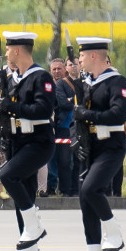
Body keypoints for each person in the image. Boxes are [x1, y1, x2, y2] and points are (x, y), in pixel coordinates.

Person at [0, 32, 56, 251]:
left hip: (38, 141)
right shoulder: (12, 78)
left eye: (9, 49)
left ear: (18, 51)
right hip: (18, 142)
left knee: (7, 175)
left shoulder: (41, 77)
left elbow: (44, 108)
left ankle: (35, 225)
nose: (6, 53)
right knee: (24, 200)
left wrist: (13, 107)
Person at [72, 37, 126, 251]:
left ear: (94, 56)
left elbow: (118, 115)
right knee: (86, 199)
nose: (79, 60)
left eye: (82, 56)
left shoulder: (116, 82)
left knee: (92, 189)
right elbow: (77, 118)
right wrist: (76, 140)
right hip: (91, 147)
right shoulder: (87, 84)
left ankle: (114, 232)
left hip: (111, 146)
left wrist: (87, 114)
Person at [49, 58, 77, 197]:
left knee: (67, 160)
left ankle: (68, 189)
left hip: (68, 127)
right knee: (52, 159)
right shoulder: (51, 84)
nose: (56, 71)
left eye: (59, 68)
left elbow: (69, 103)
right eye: (54, 69)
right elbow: (62, 103)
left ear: (65, 69)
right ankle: (51, 187)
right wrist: (71, 100)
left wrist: (70, 100)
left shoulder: (71, 83)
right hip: (54, 126)